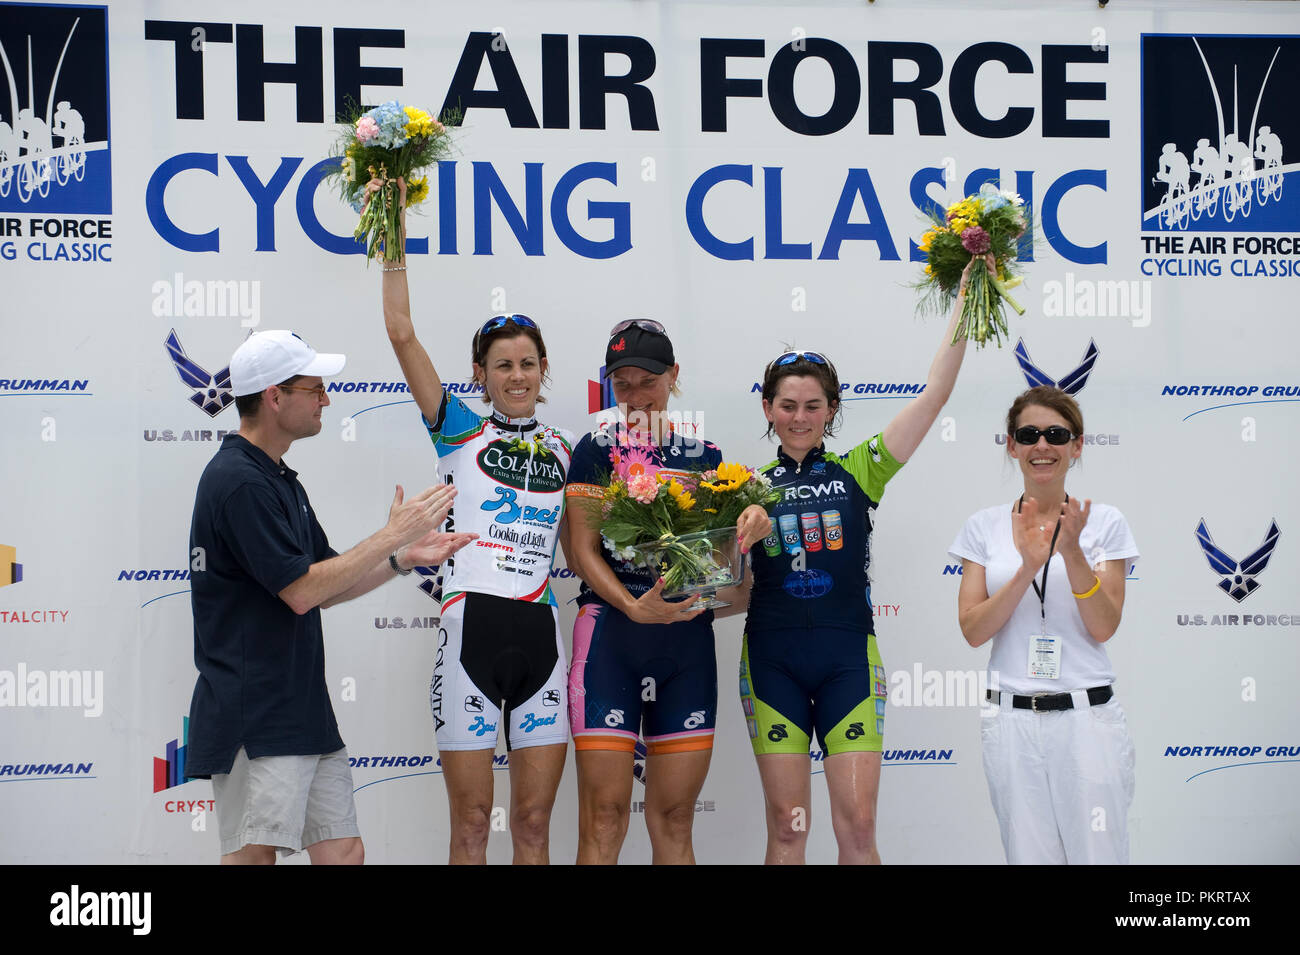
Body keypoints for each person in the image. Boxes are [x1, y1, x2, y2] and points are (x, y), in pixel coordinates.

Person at [185, 329, 470, 865]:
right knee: (253, 856)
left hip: (301, 706)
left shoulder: (279, 479)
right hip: (256, 711)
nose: (327, 399)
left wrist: (402, 557)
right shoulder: (239, 481)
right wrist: (391, 535)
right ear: (274, 397)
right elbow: (300, 593)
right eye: (315, 388)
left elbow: (325, 586)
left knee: (343, 852)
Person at [733, 261, 976, 864]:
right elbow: (722, 587)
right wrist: (734, 543)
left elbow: (935, 393)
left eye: (812, 405)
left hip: (848, 663)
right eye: (787, 405)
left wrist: (969, 298)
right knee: (789, 831)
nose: (799, 416)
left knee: (859, 829)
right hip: (772, 664)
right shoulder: (739, 486)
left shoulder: (861, 467)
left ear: (832, 409)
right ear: (767, 408)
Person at [378, 181, 576, 865]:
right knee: (469, 825)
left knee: (531, 823)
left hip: (540, 637)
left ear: (543, 369)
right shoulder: (458, 430)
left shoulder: (565, 448)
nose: (516, 375)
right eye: (502, 365)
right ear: (480, 374)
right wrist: (392, 220)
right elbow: (401, 332)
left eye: (527, 364)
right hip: (470, 634)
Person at [564, 320, 745, 864]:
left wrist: (735, 551)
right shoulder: (596, 447)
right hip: (611, 638)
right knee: (603, 818)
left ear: (674, 377)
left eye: (649, 381)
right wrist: (631, 605)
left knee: (674, 818)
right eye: (623, 385)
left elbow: (719, 561)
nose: (636, 397)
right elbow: (581, 551)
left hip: (684, 645)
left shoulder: (707, 456)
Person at [948, 385, 1139, 864]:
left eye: (1056, 434)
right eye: (1029, 434)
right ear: (1011, 445)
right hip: (1011, 723)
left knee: (1099, 855)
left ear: (1077, 445)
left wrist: (1071, 550)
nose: (1042, 446)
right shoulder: (983, 526)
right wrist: (1026, 569)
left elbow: (1104, 626)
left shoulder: (1105, 522)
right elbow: (973, 630)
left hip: (1087, 721)